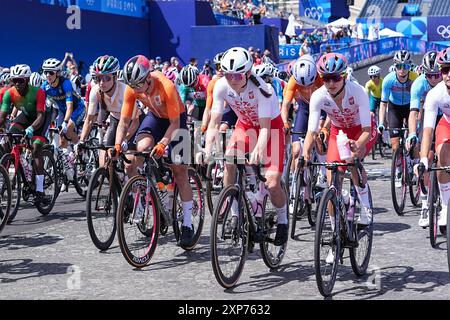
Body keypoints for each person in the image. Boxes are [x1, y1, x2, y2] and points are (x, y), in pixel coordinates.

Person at [203, 47, 288, 246]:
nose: (232, 79)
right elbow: (215, 121)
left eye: (238, 75)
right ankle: (234, 213)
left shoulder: (263, 90)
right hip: (245, 125)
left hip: (271, 130)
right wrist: (207, 148)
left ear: (248, 73)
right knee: (230, 160)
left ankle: (283, 219)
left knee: (272, 183)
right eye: (228, 74)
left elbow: (266, 129)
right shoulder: (221, 86)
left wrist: (259, 149)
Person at [116, 55, 196, 247]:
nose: (134, 89)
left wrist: (163, 144)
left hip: (177, 120)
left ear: (147, 79)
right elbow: (124, 122)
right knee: (140, 151)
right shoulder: (132, 87)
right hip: (155, 116)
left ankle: (187, 222)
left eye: (137, 85)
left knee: (180, 171)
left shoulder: (166, 85)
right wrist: (118, 145)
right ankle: (150, 191)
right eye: (131, 85)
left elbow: (175, 123)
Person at [303, 53, 377, 229]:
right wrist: (305, 153)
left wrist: (357, 145)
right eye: (326, 78)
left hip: (361, 131)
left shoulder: (358, 91)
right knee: (331, 182)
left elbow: (367, 130)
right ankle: (336, 229)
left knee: (352, 161)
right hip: (339, 132)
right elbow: (311, 131)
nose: (331, 83)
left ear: (343, 76)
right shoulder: (318, 96)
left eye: (335, 78)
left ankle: (365, 206)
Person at [79, 55, 142, 180]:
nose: (102, 82)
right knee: (105, 162)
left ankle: (134, 192)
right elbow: (90, 119)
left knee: (129, 164)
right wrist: (81, 140)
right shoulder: (96, 90)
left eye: (107, 78)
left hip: (132, 122)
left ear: (115, 77)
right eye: (98, 78)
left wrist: (125, 139)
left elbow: (135, 121)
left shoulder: (125, 91)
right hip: (115, 119)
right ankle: (117, 182)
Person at [0, 64, 51, 204]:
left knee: (36, 148)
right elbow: (3, 115)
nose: (17, 83)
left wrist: (30, 129)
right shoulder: (9, 93)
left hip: (42, 117)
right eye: (14, 80)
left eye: (20, 80)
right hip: (27, 115)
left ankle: (40, 190)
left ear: (27, 80)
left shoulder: (38, 92)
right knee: (8, 139)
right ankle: (12, 168)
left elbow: (40, 117)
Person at [281, 54, 328, 195]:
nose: (306, 87)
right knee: (296, 152)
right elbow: (285, 106)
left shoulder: (321, 79)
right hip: (304, 108)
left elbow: (327, 104)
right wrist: (285, 123)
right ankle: (296, 187)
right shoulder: (292, 81)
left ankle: (323, 172)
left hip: (321, 107)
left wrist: (322, 125)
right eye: (302, 85)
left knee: (318, 138)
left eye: (309, 84)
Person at [406, 51, 442, 227]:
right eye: (430, 76)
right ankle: (425, 201)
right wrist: (413, 133)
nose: (435, 79)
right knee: (425, 158)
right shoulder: (419, 84)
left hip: (445, 117)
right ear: (423, 73)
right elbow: (413, 113)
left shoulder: (446, 80)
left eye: (437, 75)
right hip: (428, 117)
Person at [417, 47, 450, 227]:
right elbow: (428, 130)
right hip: (447, 124)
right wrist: (423, 159)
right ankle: (445, 207)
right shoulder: (435, 94)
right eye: (445, 70)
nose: (448, 74)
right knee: (442, 158)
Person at [41, 58, 85, 183]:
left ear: (57, 73)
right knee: (61, 138)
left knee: (68, 129)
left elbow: (70, 106)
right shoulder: (45, 86)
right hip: (62, 110)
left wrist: (65, 123)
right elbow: (42, 107)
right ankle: (69, 160)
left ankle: (78, 147)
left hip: (77, 108)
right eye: (46, 72)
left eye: (51, 72)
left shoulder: (66, 84)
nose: (48, 75)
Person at [378, 50, 418, 187]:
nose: (402, 70)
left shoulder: (415, 77)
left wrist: (419, 121)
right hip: (394, 108)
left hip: (410, 107)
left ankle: (414, 162)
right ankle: (399, 170)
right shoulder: (388, 80)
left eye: (405, 66)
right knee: (395, 145)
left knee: (413, 139)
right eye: (399, 66)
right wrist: (381, 123)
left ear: (410, 67)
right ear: (395, 66)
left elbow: (421, 100)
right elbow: (383, 104)